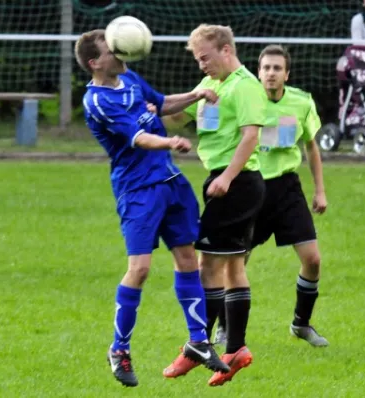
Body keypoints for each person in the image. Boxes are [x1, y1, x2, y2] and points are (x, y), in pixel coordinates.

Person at [74, 29, 229, 388]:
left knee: (188, 258)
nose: (120, 53)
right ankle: (119, 349)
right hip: (138, 191)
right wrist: (170, 140)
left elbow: (159, 103)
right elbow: (138, 138)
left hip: (170, 182)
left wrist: (194, 94)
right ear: (95, 62)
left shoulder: (128, 77)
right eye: (112, 50)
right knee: (140, 269)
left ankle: (199, 341)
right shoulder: (97, 100)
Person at [160, 24, 267, 387]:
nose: (201, 64)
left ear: (225, 50)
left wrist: (227, 177)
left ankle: (198, 345)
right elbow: (173, 115)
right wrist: (152, 105)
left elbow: (252, 136)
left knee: (207, 264)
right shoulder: (213, 87)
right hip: (227, 182)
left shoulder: (245, 85)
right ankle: (236, 348)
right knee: (234, 266)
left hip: (235, 183)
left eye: (204, 57)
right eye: (197, 59)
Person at [213, 45, 329, 348]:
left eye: (277, 68)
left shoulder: (301, 103)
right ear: (259, 71)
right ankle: (225, 328)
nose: (271, 73)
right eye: (265, 68)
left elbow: (311, 148)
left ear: (286, 74)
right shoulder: (245, 99)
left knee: (313, 259)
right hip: (251, 188)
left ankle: (301, 324)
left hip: (287, 189)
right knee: (236, 262)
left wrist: (320, 190)